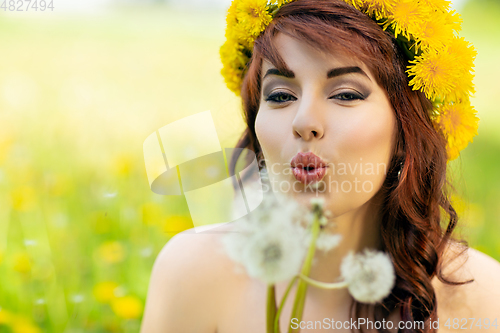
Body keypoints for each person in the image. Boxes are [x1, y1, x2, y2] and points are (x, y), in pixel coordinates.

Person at [140, 0, 500, 332]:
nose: (304, 121)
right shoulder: (193, 272)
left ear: (407, 125)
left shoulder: (481, 297)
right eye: (280, 95)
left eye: (345, 94)